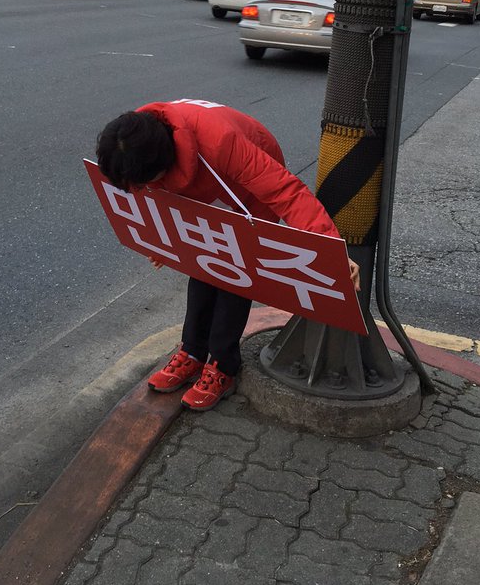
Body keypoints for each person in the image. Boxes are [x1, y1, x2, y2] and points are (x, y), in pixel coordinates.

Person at [96, 99, 359, 412]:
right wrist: (165, 243)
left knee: (235, 270)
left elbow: (285, 192)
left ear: (163, 166)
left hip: (248, 188)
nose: (140, 190)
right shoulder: (133, 139)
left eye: (143, 183)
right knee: (201, 261)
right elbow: (155, 200)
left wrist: (330, 249)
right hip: (199, 183)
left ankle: (223, 365)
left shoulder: (221, 143)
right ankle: (192, 352)